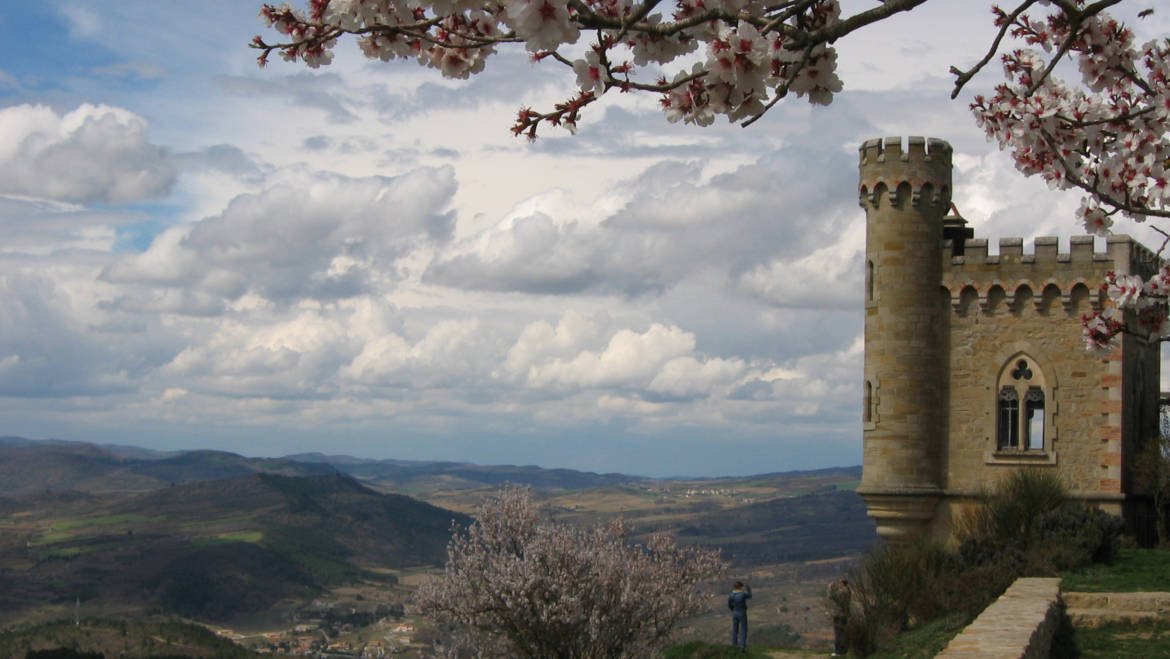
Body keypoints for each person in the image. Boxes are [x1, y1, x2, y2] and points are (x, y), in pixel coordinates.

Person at [827, 578, 851, 657]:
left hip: (839, 615)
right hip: (845, 614)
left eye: (840, 583)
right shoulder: (848, 591)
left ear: (843, 584)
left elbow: (832, 597)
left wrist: (831, 588)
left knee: (838, 633)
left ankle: (839, 652)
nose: (838, 585)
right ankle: (844, 651)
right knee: (843, 633)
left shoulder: (843, 592)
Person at [728, 580, 751, 650]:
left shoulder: (731, 595)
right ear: (740, 587)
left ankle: (734, 644)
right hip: (742, 612)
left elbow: (729, 604)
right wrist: (748, 587)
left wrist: (733, 610)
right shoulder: (742, 594)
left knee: (735, 629)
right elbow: (750, 596)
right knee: (743, 629)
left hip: (735, 612)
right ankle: (742, 646)